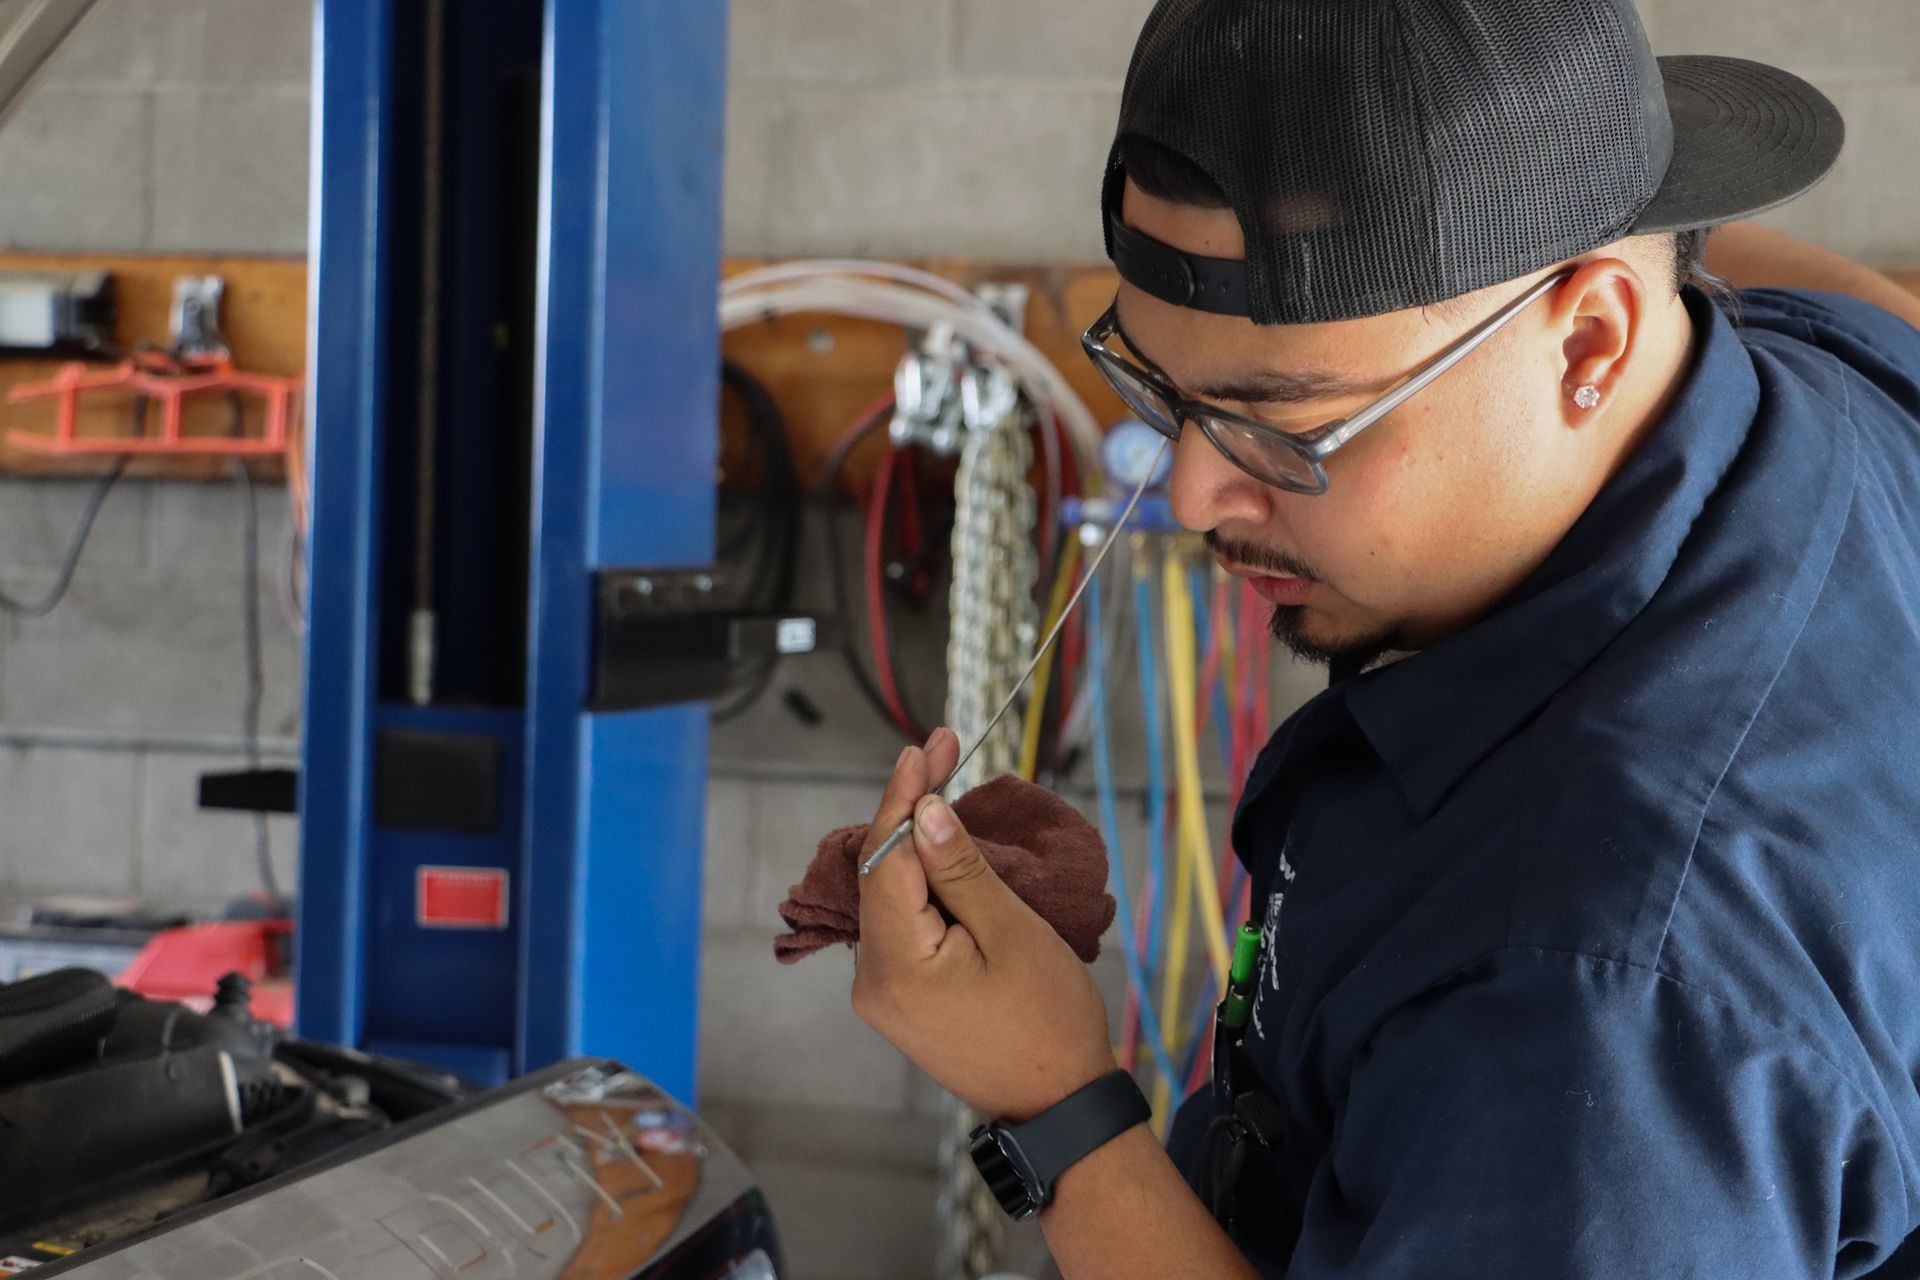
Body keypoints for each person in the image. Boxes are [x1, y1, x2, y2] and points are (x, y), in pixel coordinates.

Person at [850, 0, 1920, 1275]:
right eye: (1160, 388)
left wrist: (1059, 1106)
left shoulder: (1593, 1005)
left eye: (1285, 421)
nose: (1193, 494)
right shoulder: (1824, 367)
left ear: (1589, 334)